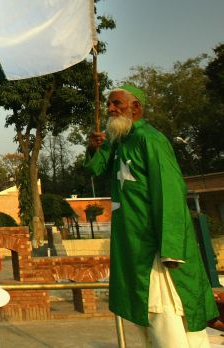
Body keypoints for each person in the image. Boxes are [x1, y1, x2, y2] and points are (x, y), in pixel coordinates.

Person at [85, 84, 217, 347]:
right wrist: (93, 147)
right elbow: (97, 170)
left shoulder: (151, 140)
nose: (110, 108)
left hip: (155, 249)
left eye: (117, 104)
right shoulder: (120, 140)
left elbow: (169, 193)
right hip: (133, 245)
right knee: (147, 317)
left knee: (166, 313)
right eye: (109, 104)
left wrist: (171, 248)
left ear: (136, 108)